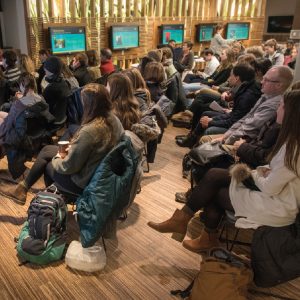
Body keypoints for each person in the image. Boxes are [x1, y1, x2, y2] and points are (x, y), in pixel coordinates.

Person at [147, 88, 300, 253]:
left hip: (277, 205)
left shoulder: (294, 149)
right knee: (214, 176)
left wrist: (260, 172)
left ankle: (195, 230)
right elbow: (275, 171)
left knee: (215, 190)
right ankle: (190, 226)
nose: (278, 108)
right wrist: (265, 171)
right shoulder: (291, 141)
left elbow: (270, 186)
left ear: (292, 113)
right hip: (274, 192)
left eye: (282, 106)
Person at [0, 83, 124, 205]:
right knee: (47, 150)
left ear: (90, 105)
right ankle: (22, 189)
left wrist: (58, 158)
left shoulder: (91, 130)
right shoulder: (114, 120)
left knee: (48, 165)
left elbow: (68, 167)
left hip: (83, 180)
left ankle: (54, 202)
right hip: (97, 171)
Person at [0, 73, 54, 179]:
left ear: (22, 85)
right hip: (34, 131)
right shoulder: (41, 99)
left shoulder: (18, 105)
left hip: (20, 135)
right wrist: (21, 99)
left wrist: (18, 100)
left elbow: (12, 123)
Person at [42, 56, 71, 128]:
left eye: (45, 69)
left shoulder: (51, 88)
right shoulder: (65, 83)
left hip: (53, 121)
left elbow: (41, 105)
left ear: (51, 70)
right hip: (62, 118)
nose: (44, 70)